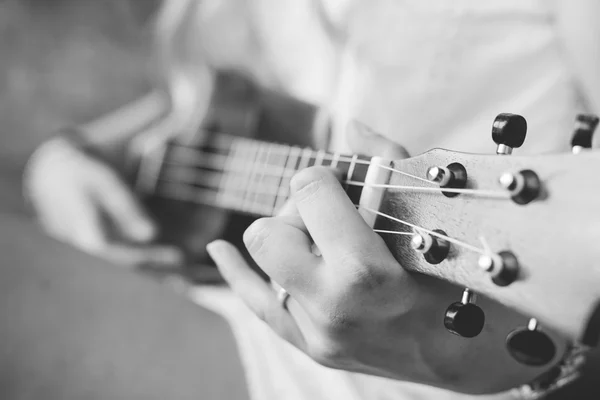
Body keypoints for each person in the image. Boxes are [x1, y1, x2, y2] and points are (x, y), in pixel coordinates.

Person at [22, 0, 600, 399]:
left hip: (418, 364)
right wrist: (59, 161)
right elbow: (183, 106)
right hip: (232, 293)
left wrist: (465, 356)